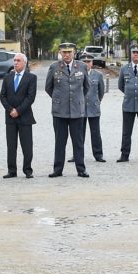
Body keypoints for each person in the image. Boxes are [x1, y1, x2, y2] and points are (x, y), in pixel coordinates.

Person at [45, 42, 90, 178]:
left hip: (77, 110)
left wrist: (78, 100)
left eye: (69, 52)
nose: (66, 55)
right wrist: (59, 99)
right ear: (60, 53)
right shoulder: (54, 67)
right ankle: (58, 169)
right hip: (60, 111)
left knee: (78, 142)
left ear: (74, 53)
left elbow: (86, 87)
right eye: (64, 52)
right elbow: (48, 87)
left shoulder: (81, 66)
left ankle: (81, 169)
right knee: (60, 142)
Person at [0, 52, 37, 178]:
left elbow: (30, 98)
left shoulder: (31, 78)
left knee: (27, 145)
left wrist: (18, 111)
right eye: (14, 60)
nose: (15, 63)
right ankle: (11, 170)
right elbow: (2, 96)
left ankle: (27, 170)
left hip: (25, 117)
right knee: (11, 145)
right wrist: (11, 110)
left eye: (18, 60)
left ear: (24, 63)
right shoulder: (7, 77)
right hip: (10, 117)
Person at [81, 53, 107, 163]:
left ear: (92, 63)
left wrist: (97, 101)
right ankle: (77, 154)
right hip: (79, 108)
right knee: (78, 133)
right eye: (84, 62)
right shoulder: (76, 74)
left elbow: (101, 92)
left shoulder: (98, 75)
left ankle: (98, 154)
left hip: (93, 107)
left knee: (95, 133)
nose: (87, 64)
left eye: (89, 62)